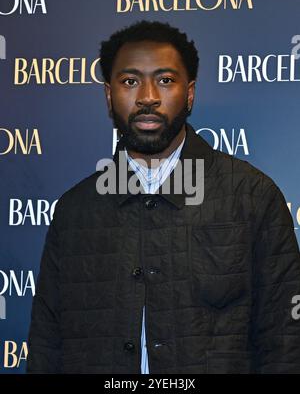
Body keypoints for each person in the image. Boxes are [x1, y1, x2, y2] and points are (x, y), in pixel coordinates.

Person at [26, 20, 300, 374]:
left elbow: (286, 341)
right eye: (130, 81)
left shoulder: (252, 197)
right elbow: (47, 346)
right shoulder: (75, 210)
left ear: (190, 93)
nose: (148, 97)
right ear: (109, 95)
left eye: (166, 80)